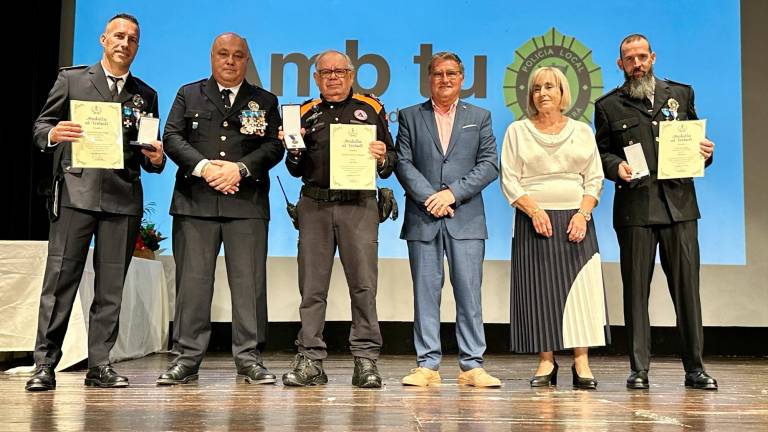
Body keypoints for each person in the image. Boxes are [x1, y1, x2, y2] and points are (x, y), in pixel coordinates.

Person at [27, 13, 165, 391]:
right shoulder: (72, 79)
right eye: (118, 36)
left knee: (110, 288)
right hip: (76, 193)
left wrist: (156, 159)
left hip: (123, 198)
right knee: (60, 282)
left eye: (132, 39)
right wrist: (54, 132)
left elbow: (147, 149)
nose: (124, 43)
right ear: (104, 40)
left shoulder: (145, 94)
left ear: (137, 47)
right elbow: (41, 127)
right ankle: (45, 365)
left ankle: (99, 364)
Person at [157, 32, 284, 385]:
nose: (230, 61)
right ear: (212, 57)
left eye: (238, 55)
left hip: (246, 203)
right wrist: (207, 168)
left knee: (249, 285)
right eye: (223, 54)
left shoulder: (265, 100)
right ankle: (186, 358)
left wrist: (238, 169)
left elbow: (275, 148)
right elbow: (172, 138)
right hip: (195, 202)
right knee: (193, 285)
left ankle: (249, 358)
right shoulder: (189, 93)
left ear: (247, 60)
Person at [594, 34, 717, 390]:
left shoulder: (680, 94)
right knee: (635, 292)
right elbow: (600, 153)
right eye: (629, 59)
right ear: (620, 64)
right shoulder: (608, 106)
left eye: (642, 57)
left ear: (653, 57)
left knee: (687, 291)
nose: (637, 64)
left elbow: (695, 143)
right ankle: (639, 369)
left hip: (679, 208)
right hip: (636, 210)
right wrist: (615, 166)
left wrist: (706, 152)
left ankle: (695, 368)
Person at [280, 50, 396, 388]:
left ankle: (365, 361)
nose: (333, 77)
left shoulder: (371, 108)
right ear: (316, 78)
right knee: (312, 289)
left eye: (340, 71)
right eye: (325, 72)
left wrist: (381, 158)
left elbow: (392, 159)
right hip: (314, 206)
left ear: (351, 74)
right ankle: (311, 360)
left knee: (363, 287)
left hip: (359, 206)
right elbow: (294, 168)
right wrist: (294, 149)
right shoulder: (302, 112)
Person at [395, 52, 500, 387]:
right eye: (438, 74)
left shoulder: (480, 117)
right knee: (426, 293)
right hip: (423, 217)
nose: (444, 79)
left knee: (469, 293)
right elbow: (403, 163)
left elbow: (489, 164)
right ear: (429, 78)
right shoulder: (410, 116)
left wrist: (451, 194)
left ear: (462, 77)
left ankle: (472, 366)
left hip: (465, 218)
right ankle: (427, 365)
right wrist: (431, 197)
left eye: (451, 73)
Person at [501, 66, 608, 390]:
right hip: (534, 219)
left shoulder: (582, 131)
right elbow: (509, 178)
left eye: (550, 87)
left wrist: (583, 214)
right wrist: (533, 210)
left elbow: (594, 177)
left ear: (563, 93)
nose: (543, 93)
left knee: (581, 292)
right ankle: (546, 360)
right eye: (536, 88)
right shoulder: (517, 131)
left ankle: (581, 362)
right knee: (538, 293)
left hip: (576, 220)